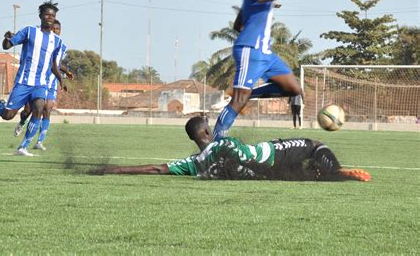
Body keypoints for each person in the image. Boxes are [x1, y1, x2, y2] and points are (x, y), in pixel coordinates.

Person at [213, 0, 315, 141]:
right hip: (250, 50)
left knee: (294, 89)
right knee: (238, 101)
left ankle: (248, 92)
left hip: (266, 54)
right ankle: (214, 143)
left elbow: (238, 24)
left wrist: (254, 16)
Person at [91, 116, 371, 182]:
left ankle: (327, 172)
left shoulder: (193, 162)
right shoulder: (224, 143)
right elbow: (248, 158)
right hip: (276, 153)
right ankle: (338, 170)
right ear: (207, 132)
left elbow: (156, 168)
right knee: (315, 145)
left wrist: (110, 169)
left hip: (274, 168)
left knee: (310, 172)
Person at [0, 0, 66, 156]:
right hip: (23, 82)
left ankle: (23, 147)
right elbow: (7, 46)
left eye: (53, 15)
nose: (50, 17)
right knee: (8, 115)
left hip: (40, 84)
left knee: (39, 108)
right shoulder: (29, 31)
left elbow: (54, 65)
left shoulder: (57, 41)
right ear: (41, 16)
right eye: (47, 14)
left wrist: (61, 79)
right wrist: (7, 38)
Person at [14, 20, 74, 152]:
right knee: (27, 111)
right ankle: (22, 122)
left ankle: (39, 141)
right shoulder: (42, 41)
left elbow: (56, 63)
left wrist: (65, 72)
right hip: (37, 80)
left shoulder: (61, 45)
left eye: (57, 29)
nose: (55, 31)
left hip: (51, 82)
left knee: (47, 109)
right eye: (53, 29)